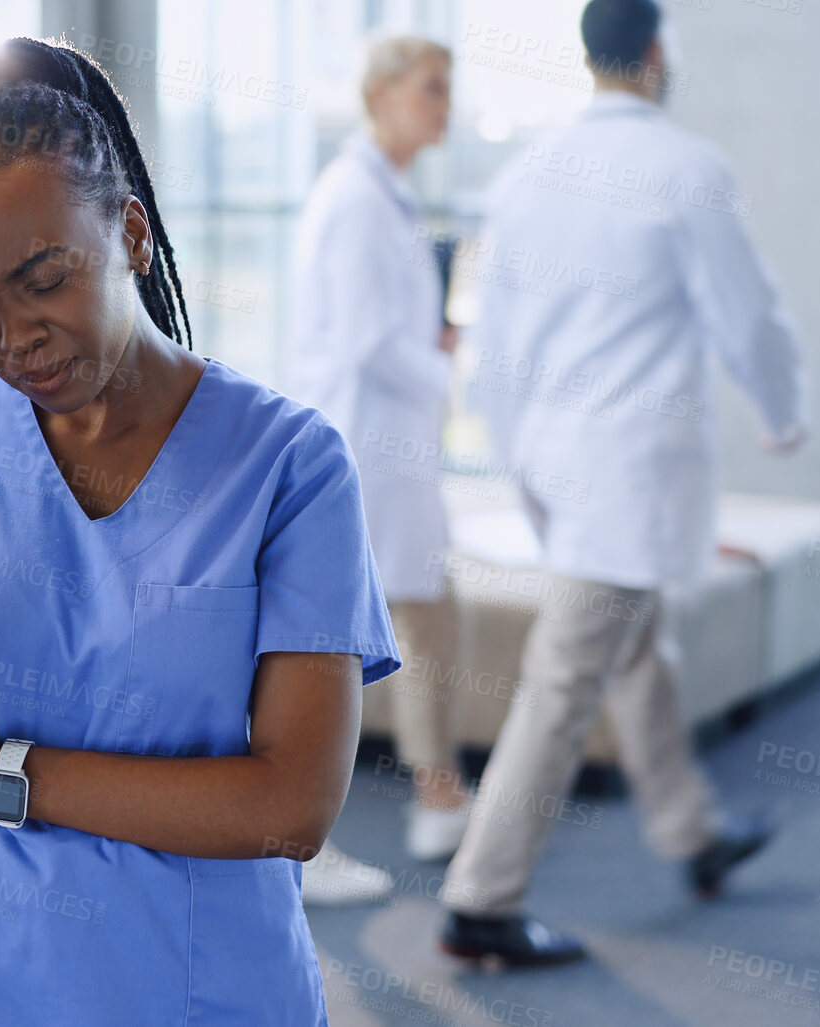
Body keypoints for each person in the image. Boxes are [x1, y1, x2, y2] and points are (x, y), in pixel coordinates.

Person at [0, 37, 400, 1026]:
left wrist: (1, 776)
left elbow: (290, 807)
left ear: (128, 233)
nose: (15, 335)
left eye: (46, 277)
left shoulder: (287, 463)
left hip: (196, 990)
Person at [436, 0, 806, 966]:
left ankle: (692, 830)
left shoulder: (526, 173)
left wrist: (515, 464)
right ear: (652, 54)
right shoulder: (686, 168)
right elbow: (747, 313)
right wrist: (780, 411)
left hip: (554, 463)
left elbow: (499, 344)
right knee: (562, 685)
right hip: (630, 473)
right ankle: (480, 899)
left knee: (640, 652)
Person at [284, 36, 474, 907]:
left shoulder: (383, 195)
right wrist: (440, 365)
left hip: (389, 447)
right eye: (430, 89)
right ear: (384, 94)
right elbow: (365, 339)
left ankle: (436, 792)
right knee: (331, 637)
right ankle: (301, 835)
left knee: (422, 614)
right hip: (362, 446)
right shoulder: (356, 199)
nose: (443, 104)